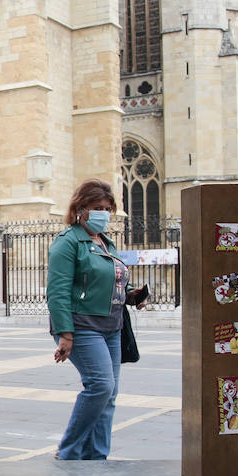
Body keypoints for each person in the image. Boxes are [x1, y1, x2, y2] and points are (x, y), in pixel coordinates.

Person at [47, 179, 148, 460]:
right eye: (96, 207)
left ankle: (97, 456)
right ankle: (68, 451)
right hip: (83, 327)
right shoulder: (68, 243)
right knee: (100, 386)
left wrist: (132, 294)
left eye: (107, 208)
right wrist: (65, 334)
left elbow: (112, 283)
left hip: (112, 327)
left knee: (109, 394)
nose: (103, 213)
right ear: (81, 209)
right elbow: (57, 292)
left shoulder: (106, 243)